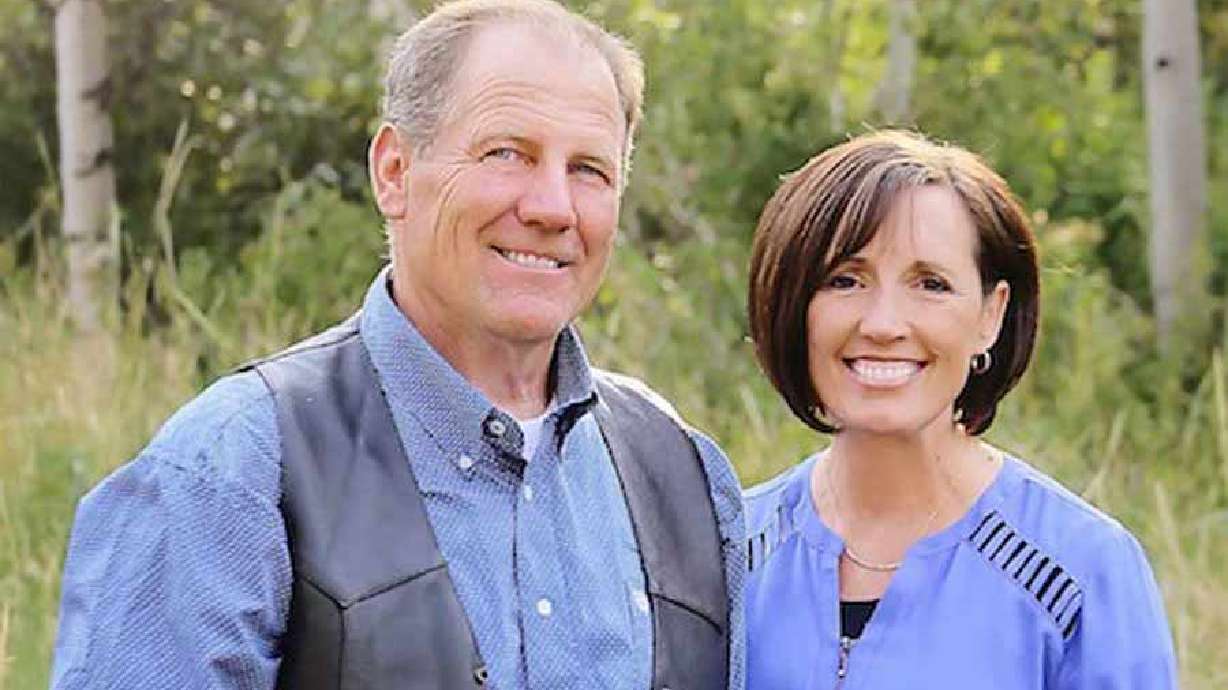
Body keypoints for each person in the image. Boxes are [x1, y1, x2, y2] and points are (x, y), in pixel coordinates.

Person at [50, 1, 744, 687]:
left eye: (589, 170)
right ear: (393, 172)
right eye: (508, 153)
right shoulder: (228, 472)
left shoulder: (685, 475)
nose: (552, 208)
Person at [742, 131, 1176, 689]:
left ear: (991, 316)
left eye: (931, 284)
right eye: (844, 280)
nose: (882, 323)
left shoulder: (1080, 575)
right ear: (793, 304)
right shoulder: (726, 556)